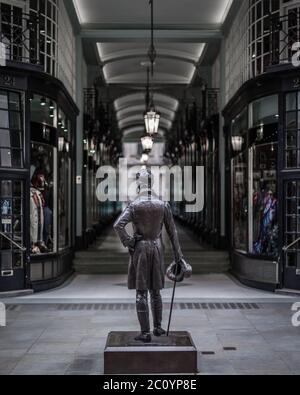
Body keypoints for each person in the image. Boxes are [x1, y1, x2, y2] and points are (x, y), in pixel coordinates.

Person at [113, 169, 184, 343]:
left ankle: (145, 332)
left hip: (141, 249)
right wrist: (178, 256)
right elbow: (172, 232)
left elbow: (118, 225)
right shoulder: (163, 205)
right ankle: (158, 327)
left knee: (141, 292)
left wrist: (129, 242)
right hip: (157, 247)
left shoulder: (134, 205)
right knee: (156, 291)